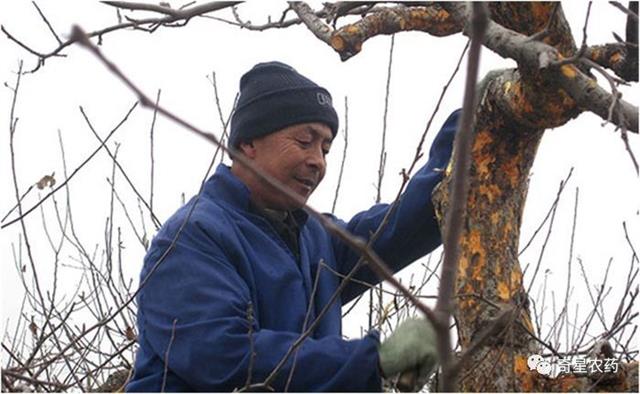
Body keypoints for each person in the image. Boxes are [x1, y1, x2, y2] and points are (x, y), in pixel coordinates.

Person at [126, 61, 460, 392]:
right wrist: (373, 359)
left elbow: (395, 230)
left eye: (325, 148)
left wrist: (466, 134)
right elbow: (223, 357)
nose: (318, 161)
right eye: (304, 141)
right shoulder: (192, 238)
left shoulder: (312, 237)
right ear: (248, 144)